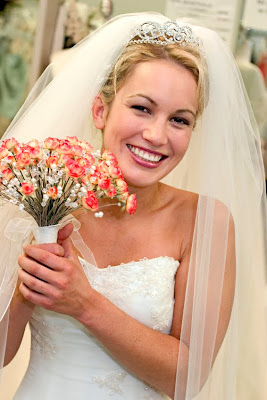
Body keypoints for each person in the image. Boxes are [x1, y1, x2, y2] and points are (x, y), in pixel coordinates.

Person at [0, 12, 266, 400]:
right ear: (100, 111)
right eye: (142, 108)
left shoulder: (206, 221)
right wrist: (27, 290)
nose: (157, 135)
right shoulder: (46, 201)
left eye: (179, 119)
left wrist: (84, 303)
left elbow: (186, 379)